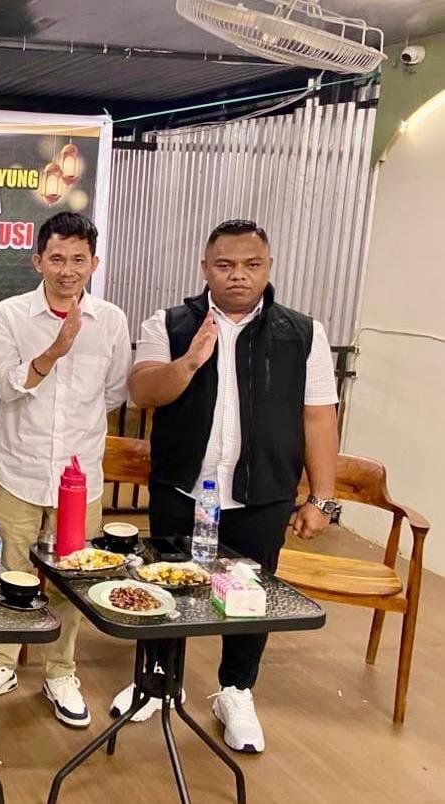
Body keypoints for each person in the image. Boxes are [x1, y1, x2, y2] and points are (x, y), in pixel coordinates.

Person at [121, 219, 339, 753]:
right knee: (166, 587)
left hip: (261, 495)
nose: (238, 275)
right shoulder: (169, 323)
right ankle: (156, 680)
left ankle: (236, 691)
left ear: (268, 267)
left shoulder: (302, 333)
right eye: (225, 265)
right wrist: (191, 360)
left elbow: (318, 417)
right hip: (182, 488)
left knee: (250, 599)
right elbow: (142, 392)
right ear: (205, 268)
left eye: (251, 264)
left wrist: (322, 498)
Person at [0, 212, 130, 728]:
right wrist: (55, 351)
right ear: (37, 261)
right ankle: (1, 663)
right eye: (56, 258)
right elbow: (5, 388)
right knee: (9, 571)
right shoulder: (11, 314)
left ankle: (60, 670)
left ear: (94, 263)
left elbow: (114, 392)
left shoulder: (111, 320)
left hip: (80, 479)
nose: (67, 270)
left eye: (78, 259)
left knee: (72, 578)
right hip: (19, 470)